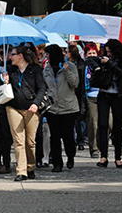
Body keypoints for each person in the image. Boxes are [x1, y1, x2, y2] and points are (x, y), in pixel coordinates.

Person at [3, 45, 45, 181]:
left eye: (13, 54)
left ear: (20, 56)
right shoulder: (10, 70)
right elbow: (3, 90)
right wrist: (5, 82)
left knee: (30, 142)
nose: (10, 57)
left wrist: (36, 104)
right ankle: (21, 171)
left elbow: (42, 88)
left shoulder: (36, 70)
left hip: (31, 108)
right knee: (18, 141)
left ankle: (30, 166)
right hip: (13, 107)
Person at [89, 39, 122, 169]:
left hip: (117, 95)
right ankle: (104, 156)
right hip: (103, 94)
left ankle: (118, 157)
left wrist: (110, 63)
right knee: (102, 124)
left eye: (109, 52)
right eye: (106, 52)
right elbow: (89, 60)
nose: (108, 54)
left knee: (117, 126)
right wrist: (98, 65)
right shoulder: (104, 59)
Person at [42, 44, 80, 173]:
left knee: (68, 135)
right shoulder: (46, 69)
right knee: (55, 136)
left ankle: (70, 155)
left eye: (48, 54)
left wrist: (67, 71)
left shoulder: (70, 66)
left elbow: (75, 83)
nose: (46, 56)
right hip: (52, 107)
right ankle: (57, 163)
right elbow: (44, 87)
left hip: (68, 107)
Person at [83, 43, 104, 159]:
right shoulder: (84, 67)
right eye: (89, 53)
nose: (92, 55)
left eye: (93, 53)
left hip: (103, 95)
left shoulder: (102, 65)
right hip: (90, 96)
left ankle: (102, 142)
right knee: (93, 123)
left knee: (108, 124)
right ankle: (94, 148)